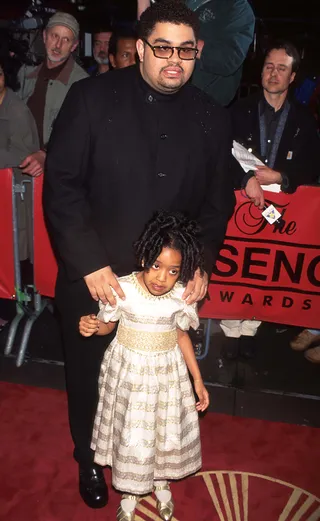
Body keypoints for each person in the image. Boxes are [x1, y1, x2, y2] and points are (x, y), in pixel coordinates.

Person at [43, 0, 235, 509]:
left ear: (198, 53)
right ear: (143, 48)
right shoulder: (89, 99)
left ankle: (146, 463)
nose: (175, 59)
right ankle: (89, 460)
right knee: (89, 378)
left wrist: (201, 263)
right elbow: (61, 187)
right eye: (164, 47)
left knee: (151, 389)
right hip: (95, 278)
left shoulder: (213, 118)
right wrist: (89, 262)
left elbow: (218, 205)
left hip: (165, 287)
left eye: (186, 49)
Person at [79, 211, 209, 520]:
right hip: (129, 374)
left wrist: (198, 380)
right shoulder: (121, 289)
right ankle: (129, 491)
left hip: (167, 375)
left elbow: (180, 335)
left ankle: (161, 480)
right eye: (156, 266)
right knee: (132, 433)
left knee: (162, 428)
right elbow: (107, 326)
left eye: (173, 271)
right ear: (144, 258)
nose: (162, 278)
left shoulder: (181, 298)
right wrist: (92, 325)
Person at [221, 41, 320, 359]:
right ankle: (228, 330)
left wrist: (281, 177)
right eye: (268, 66)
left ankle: (250, 330)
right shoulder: (237, 111)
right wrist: (245, 179)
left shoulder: (304, 121)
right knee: (234, 263)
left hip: (282, 208)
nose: (273, 73)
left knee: (263, 266)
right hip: (240, 201)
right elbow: (219, 155)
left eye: (281, 68)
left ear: (293, 76)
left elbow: (312, 166)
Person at [137, 0, 255, 106]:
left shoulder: (237, 6)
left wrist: (184, 42)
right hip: (165, 98)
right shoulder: (179, 3)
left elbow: (228, 59)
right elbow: (147, 34)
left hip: (208, 104)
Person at [16, 11, 88, 177]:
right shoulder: (25, 73)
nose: (58, 45)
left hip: (58, 173)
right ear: (44, 36)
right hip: (21, 166)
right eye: (54, 36)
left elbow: (79, 134)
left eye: (66, 40)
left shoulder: (82, 83)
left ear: (74, 46)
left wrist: (46, 153)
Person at [0, 57, 39, 329]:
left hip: (14, 199)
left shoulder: (16, 110)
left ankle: (10, 309)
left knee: (12, 258)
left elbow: (25, 156)